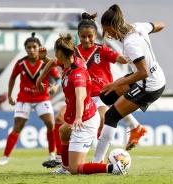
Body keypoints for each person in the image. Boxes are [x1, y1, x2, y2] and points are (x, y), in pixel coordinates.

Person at [41, 12, 147, 168]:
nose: (86, 39)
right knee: (59, 119)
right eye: (83, 36)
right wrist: (43, 65)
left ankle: (99, 158)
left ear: (95, 35)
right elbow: (56, 62)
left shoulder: (102, 49)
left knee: (105, 118)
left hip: (101, 95)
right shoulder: (73, 52)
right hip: (80, 96)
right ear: (78, 36)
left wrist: (135, 52)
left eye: (90, 36)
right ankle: (60, 157)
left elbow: (121, 59)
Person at [36, 33, 127, 175]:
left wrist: (78, 117)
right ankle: (64, 168)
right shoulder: (70, 61)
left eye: (55, 52)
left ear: (60, 52)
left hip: (85, 120)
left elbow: (81, 95)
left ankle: (112, 168)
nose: (55, 55)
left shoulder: (77, 73)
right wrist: (39, 80)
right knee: (63, 132)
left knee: (76, 168)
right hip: (84, 115)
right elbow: (53, 62)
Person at [92, 4, 166, 163]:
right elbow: (161, 24)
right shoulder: (138, 27)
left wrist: (117, 82)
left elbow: (143, 72)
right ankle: (136, 128)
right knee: (106, 97)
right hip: (147, 78)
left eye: (108, 31)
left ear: (114, 26)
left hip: (150, 85)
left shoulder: (130, 43)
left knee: (111, 116)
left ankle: (96, 163)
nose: (108, 35)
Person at [0, 32, 62, 165]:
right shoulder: (20, 63)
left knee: (51, 124)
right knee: (17, 126)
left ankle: (51, 154)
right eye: (29, 47)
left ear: (39, 48)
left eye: (34, 47)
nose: (32, 50)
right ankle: (5, 156)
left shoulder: (46, 63)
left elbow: (58, 79)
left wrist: (55, 87)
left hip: (42, 98)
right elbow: (12, 78)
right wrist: (9, 95)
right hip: (24, 99)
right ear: (25, 49)